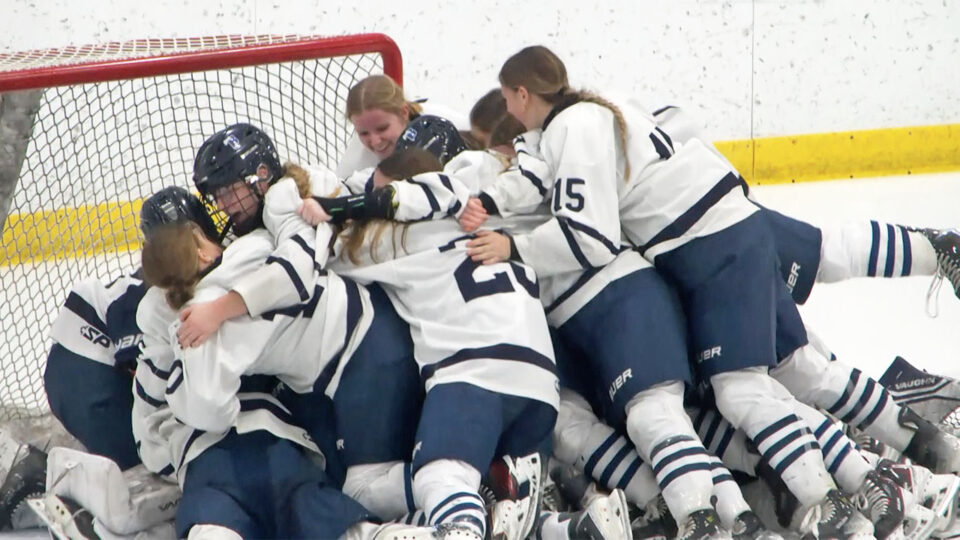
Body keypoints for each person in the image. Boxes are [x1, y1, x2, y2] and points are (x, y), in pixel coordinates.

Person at [460, 44, 878, 539]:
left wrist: (511, 245)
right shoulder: (590, 125)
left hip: (679, 268)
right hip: (683, 265)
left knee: (745, 389)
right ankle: (771, 504)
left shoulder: (570, 134)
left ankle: (853, 482)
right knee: (733, 398)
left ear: (523, 99)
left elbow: (587, 238)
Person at [135, 186, 437, 540]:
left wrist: (176, 410)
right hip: (298, 419)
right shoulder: (255, 245)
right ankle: (442, 499)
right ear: (201, 241)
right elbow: (310, 244)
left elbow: (190, 414)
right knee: (333, 511)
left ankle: (444, 494)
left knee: (215, 526)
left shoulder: (179, 324)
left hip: (212, 455)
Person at [336, 74, 469, 179]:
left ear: (404, 112)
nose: (375, 141)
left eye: (382, 128)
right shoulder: (357, 160)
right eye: (364, 133)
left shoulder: (450, 123)